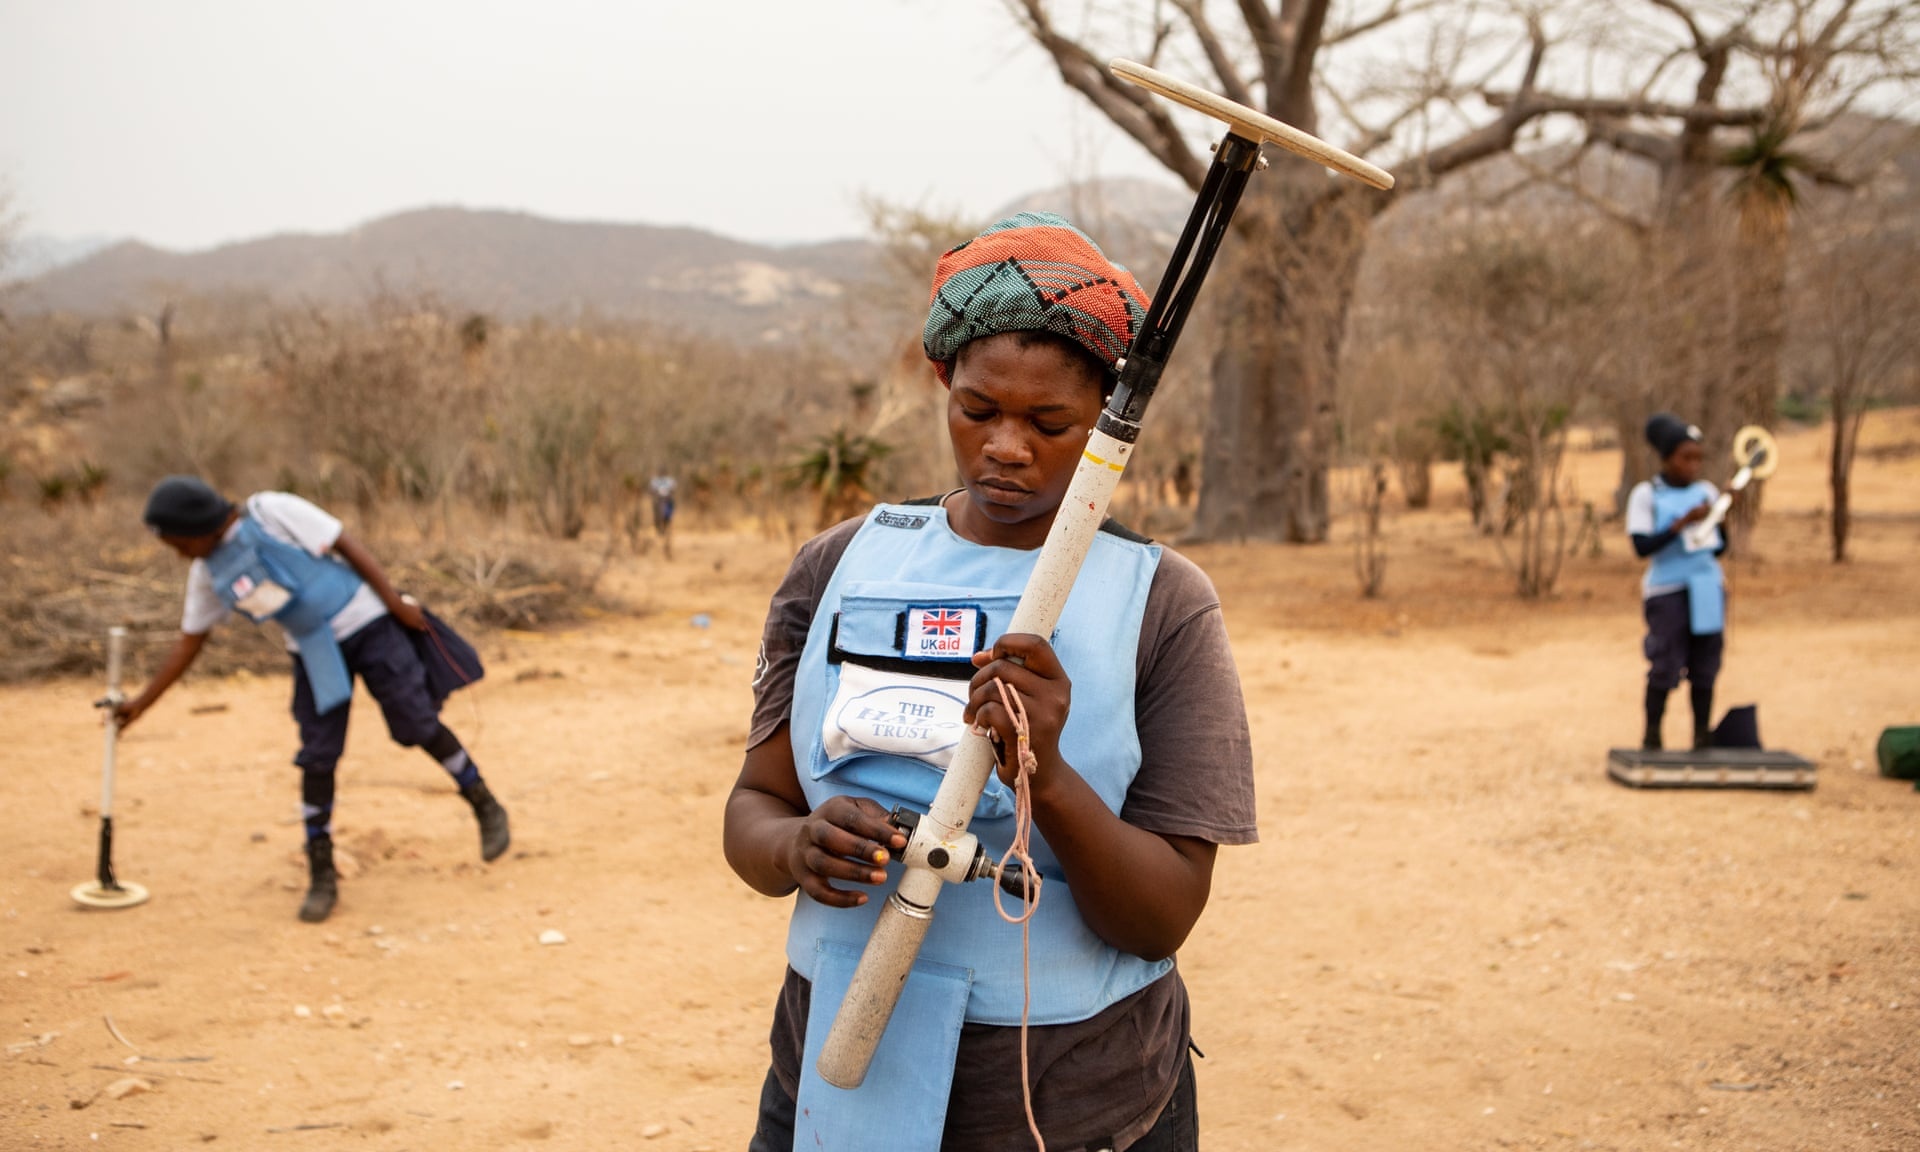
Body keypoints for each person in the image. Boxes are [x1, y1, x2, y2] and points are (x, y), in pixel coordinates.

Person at [723, 213, 1257, 1152]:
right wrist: (795, 847)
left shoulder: (1161, 602)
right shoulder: (841, 564)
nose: (1006, 446)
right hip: (836, 1071)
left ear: (1106, 425)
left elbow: (1164, 912)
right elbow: (754, 807)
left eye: (1050, 423)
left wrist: (1043, 772)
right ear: (941, 383)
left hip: (1071, 1097)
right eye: (978, 411)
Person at [114, 477, 509, 922]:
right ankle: (322, 870)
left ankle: (483, 801)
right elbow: (189, 643)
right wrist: (140, 704)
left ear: (198, 526)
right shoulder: (208, 573)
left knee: (416, 723)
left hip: (369, 622)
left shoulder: (270, 511)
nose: (178, 552)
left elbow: (345, 543)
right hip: (314, 650)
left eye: (177, 542)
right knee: (318, 756)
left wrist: (394, 602)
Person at [1626, 414, 1732, 751]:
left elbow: (1720, 547)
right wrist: (1681, 523)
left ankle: (1702, 736)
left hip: (1707, 589)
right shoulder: (1647, 495)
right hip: (1667, 591)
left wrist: (1719, 518)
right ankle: (1652, 736)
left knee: (1706, 666)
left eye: (1698, 458)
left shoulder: (1707, 493)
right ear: (1667, 457)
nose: (1693, 465)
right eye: (1686, 457)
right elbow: (1641, 547)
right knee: (1665, 665)